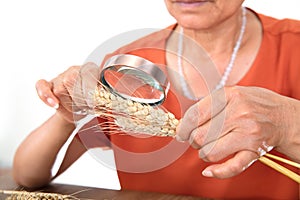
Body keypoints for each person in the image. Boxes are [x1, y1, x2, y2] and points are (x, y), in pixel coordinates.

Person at [13, 0, 300, 199]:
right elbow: (30, 176)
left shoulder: (293, 46)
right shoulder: (126, 66)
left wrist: (287, 123)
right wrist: (67, 113)